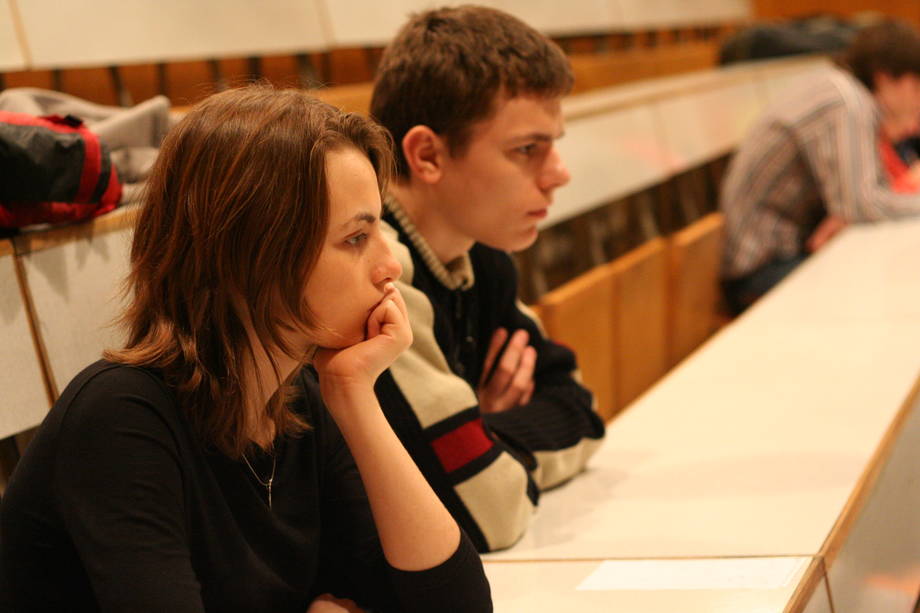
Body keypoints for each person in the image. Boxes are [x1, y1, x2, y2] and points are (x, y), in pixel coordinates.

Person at [0, 87, 491, 613]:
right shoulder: (120, 419)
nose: (389, 265)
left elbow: (458, 605)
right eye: (355, 238)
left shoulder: (301, 401)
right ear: (251, 256)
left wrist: (354, 396)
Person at [364, 6, 606, 553]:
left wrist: (484, 437)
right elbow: (486, 513)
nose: (559, 173)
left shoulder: (482, 256)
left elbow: (583, 411)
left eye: (555, 143)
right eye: (527, 149)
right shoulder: (377, 278)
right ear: (427, 155)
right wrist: (478, 448)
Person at [720, 19, 920, 314]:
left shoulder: (843, 92)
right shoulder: (846, 102)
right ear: (886, 78)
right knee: (888, 299)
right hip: (761, 269)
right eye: (916, 86)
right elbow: (861, 205)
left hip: (782, 252)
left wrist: (851, 212)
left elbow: (859, 202)